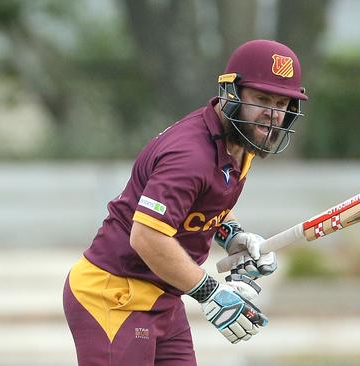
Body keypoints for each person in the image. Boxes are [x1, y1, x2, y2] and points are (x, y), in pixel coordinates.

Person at [63, 39, 308, 366]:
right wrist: (211, 292)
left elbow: (202, 205)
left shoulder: (237, 144)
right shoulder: (190, 156)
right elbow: (147, 236)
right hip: (115, 295)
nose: (272, 114)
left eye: (282, 103)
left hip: (164, 296)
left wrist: (233, 236)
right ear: (231, 94)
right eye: (262, 98)